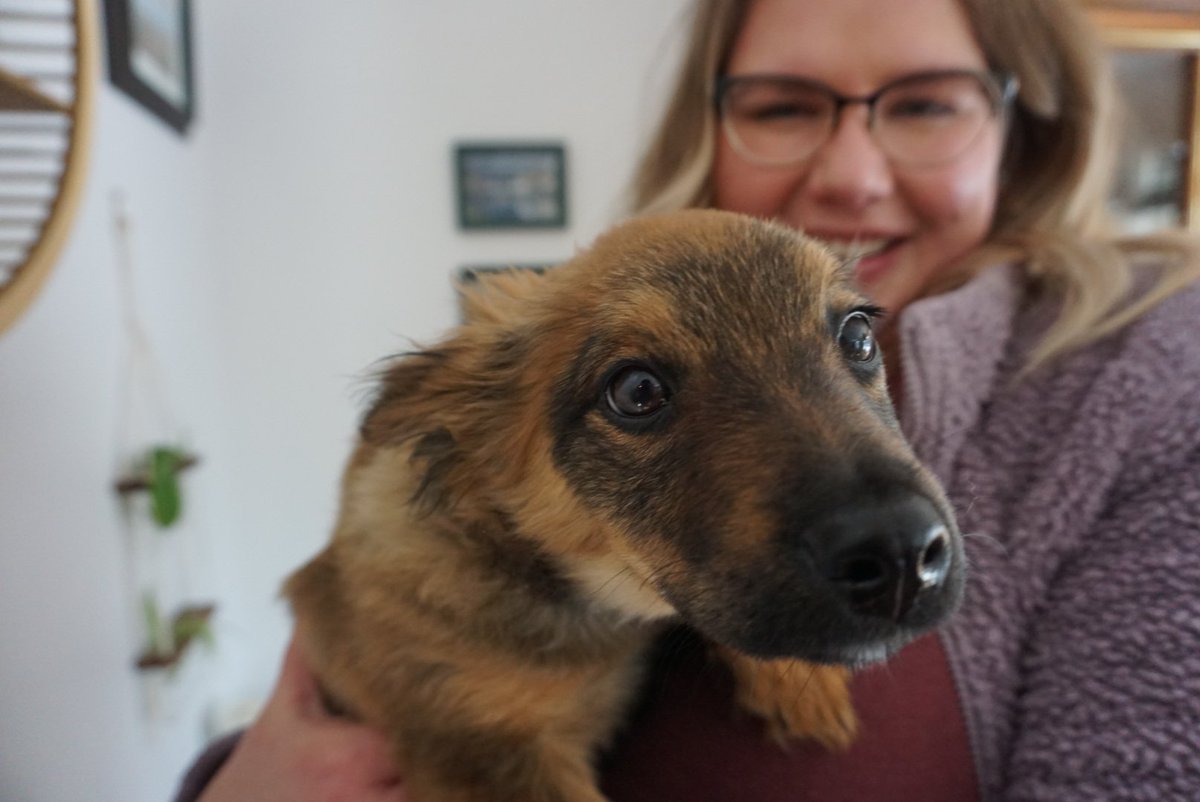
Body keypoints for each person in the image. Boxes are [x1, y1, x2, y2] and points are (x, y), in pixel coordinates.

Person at [177, 0, 1200, 800]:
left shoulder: (1148, 367)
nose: (850, 174)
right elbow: (339, 721)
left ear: (1025, 126)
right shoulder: (553, 352)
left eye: (927, 102)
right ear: (710, 123)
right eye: (784, 105)